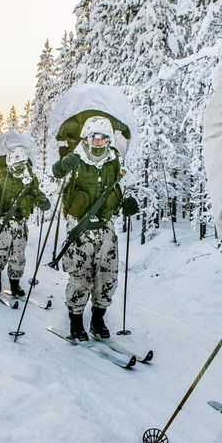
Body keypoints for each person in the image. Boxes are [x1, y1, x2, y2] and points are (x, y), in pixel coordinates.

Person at [51, 115, 140, 341]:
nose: (98, 142)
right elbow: (56, 172)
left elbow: (127, 184)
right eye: (94, 138)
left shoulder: (116, 160)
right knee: (80, 276)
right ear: (87, 138)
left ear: (109, 140)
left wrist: (129, 200)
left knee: (107, 275)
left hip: (105, 226)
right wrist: (63, 164)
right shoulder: (76, 159)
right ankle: (76, 319)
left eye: (103, 138)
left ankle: (98, 318)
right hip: (79, 227)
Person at [0, 147, 51, 296]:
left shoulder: (29, 177)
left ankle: (15, 283)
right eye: (16, 164)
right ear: (9, 163)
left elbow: (35, 193)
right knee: (1, 251)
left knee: (18, 254)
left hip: (20, 221)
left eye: (22, 164)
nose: (19, 167)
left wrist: (42, 201)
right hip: (3, 220)